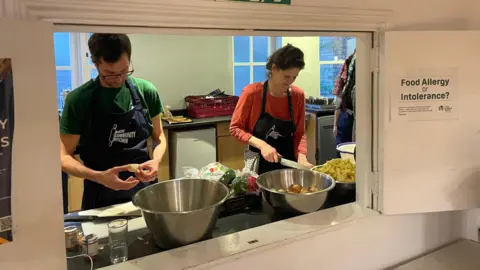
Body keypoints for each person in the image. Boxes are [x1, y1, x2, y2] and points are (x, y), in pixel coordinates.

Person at [60, 34, 166, 210]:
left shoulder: (146, 91)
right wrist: (98, 176)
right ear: (95, 64)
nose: (118, 79)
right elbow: (64, 157)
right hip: (100, 194)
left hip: (145, 189)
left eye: (124, 71)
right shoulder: (79, 100)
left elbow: (159, 136)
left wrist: (156, 160)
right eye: (109, 74)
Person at [230, 44, 312, 174]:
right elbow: (235, 128)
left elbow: (299, 132)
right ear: (273, 69)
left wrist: (301, 156)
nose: (290, 81)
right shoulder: (252, 93)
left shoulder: (297, 95)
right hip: (257, 165)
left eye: (294, 77)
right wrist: (263, 145)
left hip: (288, 165)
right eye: (286, 76)